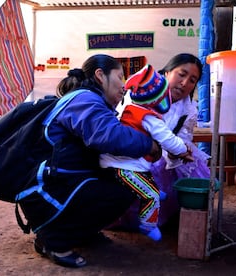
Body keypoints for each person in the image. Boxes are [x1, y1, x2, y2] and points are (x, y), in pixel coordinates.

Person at [23, 54, 161, 268]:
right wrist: (150, 145)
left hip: (59, 183)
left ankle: (81, 233)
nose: (124, 86)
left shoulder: (90, 100)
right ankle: (52, 240)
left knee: (120, 181)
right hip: (47, 190)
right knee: (123, 188)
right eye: (119, 76)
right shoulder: (85, 100)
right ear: (100, 75)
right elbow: (111, 137)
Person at [112, 53, 212, 229]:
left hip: (163, 153)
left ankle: (178, 212)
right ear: (167, 72)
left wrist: (178, 153)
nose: (184, 83)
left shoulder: (187, 110)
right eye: (182, 74)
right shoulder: (143, 91)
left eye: (192, 80)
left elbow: (182, 138)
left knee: (194, 167)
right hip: (130, 151)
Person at [99, 64, 193, 242]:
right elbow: (168, 139)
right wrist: (182, 150)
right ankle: (147, 226)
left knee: (148, 176)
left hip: (123, 164)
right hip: (122, 167)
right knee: (151, 196)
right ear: (158, 97)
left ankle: (154, 191)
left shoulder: (131, 110)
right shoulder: (148, 117)